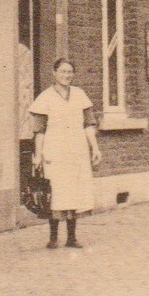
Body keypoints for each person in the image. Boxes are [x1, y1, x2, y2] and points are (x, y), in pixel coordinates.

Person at [29, 58, 101, 249]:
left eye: (70, 72)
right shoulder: (45, 98)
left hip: (77, 151)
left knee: (75, 192)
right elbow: (39, 130)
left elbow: (88, 124)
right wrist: (38, 155)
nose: (66, 75)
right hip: (54, 151)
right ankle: (53, 237)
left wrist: (94, 147)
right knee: (56, 193)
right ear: (54, 73)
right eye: (63, 72)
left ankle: (71, 237)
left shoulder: (79, 95)